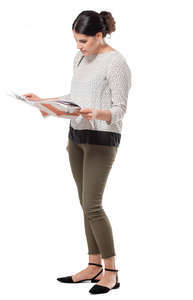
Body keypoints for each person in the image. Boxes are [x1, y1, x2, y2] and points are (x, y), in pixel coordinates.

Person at [23, 10, 131, 295]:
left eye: (83, 40)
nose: (79, 46)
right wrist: (44, 102)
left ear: (99, 35)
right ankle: (93, 265)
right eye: (76, 40)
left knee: (93, 205)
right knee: (85, 205)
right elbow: (76, 99)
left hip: (101, 139)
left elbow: (119, 110)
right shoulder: (80, 58)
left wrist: (95, 112)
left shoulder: (116, 63)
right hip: (76, 136)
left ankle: (112, 272)